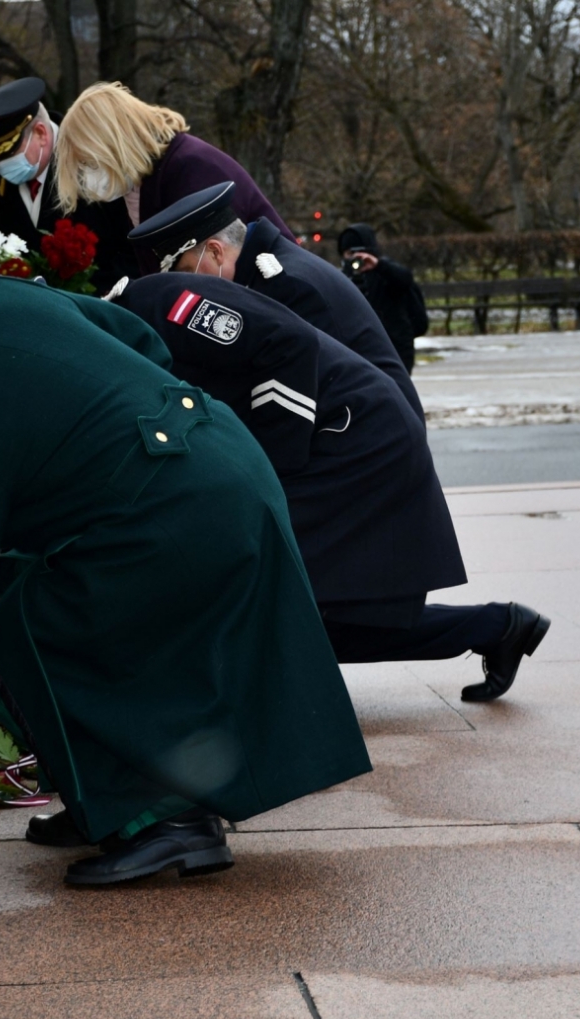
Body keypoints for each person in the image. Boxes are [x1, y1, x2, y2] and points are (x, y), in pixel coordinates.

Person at [0, 277, 371, 884]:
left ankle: (168, 822)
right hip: (223, 458)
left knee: (25, 637)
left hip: (173, 516)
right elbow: (138, 339)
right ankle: (107, 803)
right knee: (42, 609)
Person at [113, 272, 549, 704]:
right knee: (311, 620)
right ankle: (499, 627)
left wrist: (267, 468)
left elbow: (290, 343)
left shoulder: (162, 300)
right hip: (343, 438)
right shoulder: (132, 323)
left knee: (255, 578)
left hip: (353, 441)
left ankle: (211, 697)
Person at [126, 182, 422, 414]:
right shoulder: (267, 269)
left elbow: (302, 393)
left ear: (216, 251)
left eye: (189, 272)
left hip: (374, 436)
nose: (190, 286)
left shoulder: (286, 285)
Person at [52, 82, 295, 278]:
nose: (88, 176)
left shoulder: (189, 168)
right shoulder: (144, 181)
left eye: (91, 163)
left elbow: (210, 269)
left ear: (116, 144)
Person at [0, 78, 138, 291]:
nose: (2, 164)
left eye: (10, 152)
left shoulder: (91, 158)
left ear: (40, 133)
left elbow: (129, 248)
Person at [339, 224, 429, 374]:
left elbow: (405, 279)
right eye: (350, 254)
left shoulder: (386, 272)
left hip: (395, 346)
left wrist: (378, 265)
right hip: (361, 347)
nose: (356, 259)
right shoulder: (342, 278)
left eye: (360, 252)